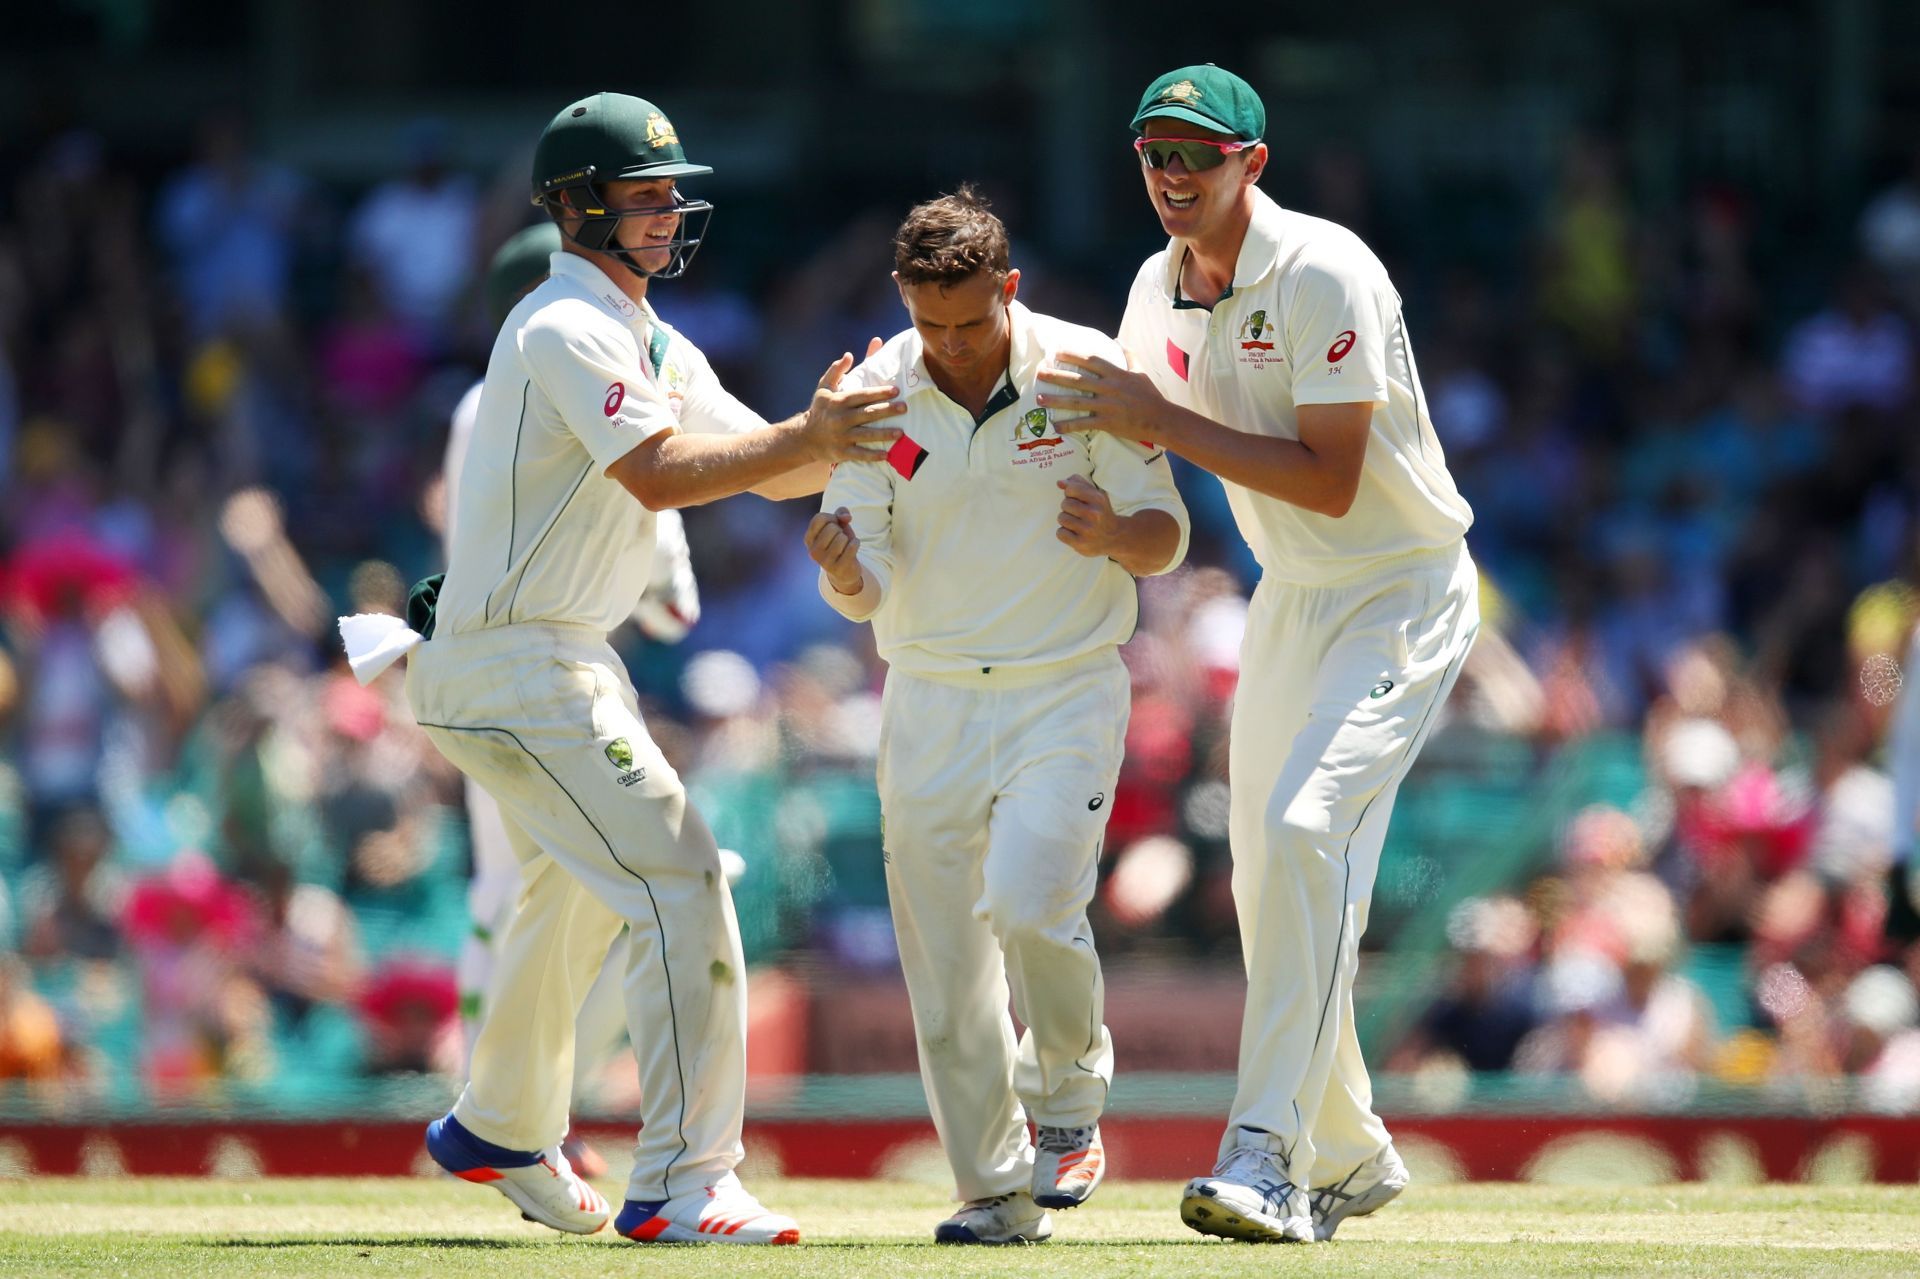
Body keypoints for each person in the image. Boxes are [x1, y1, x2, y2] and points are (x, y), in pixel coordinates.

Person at [388, 91, 905, 1245]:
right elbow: (667, 474)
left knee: (574, 884)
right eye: (647, 192)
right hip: (515, 663)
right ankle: (683, 1179)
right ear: (576, 207)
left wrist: (857, 423)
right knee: (682, 878)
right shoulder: (560, 322)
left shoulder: (652, 337)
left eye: (677, 192)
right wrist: (811, 441)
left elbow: (764, 467)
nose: (672, 211)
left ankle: (497, 1120)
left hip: (549, 662)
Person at [1037, 64, 1479, 1244]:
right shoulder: (1152, 283)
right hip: (1293, 597)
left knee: (1301, 833)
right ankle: (1353, 1149)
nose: (1173, 176)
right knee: (1265, 874)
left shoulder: (1327, 266)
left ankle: (1269, 1155)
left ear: (1253, 164)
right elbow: (1126, 433)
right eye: (1155, 155)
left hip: (1400, 589)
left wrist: (1158, 423)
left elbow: (1331, 484)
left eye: (1197, 155)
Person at [808, 187, 1190, 1244]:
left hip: (1064, 683)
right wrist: (841, 572)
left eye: (972, 323)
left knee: (1029, 905)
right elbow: (863, 577)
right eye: (931, 324)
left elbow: (1168, 536)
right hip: (925, 692)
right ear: (902, 300)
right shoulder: (874, 393)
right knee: (944, 961)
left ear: (1009, 289)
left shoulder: (1083, 372)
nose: (953, 347)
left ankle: (1068, 1102)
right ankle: (992, 1190)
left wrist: (1115, 529)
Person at [442, 222, 716, 1178]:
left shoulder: (481, 394)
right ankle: (627, 1151)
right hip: (541, 665)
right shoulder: (573, 350)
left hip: (480, 659)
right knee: (656, 874)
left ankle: (502, 1115)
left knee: (545, 886)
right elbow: (676, 599)